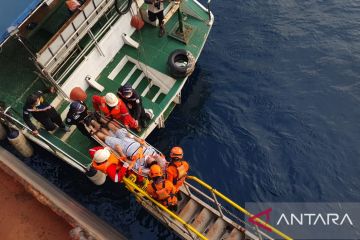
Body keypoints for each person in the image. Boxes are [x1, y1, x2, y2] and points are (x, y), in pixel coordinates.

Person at [88, 120, 166, 176]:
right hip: (129, 140)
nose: (150, 157)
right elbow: (143, 143)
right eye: (153, 159)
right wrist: (131, 136)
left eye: (150, 160)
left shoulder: (140, 165)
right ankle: (97, 119)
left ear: (148, 164)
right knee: (115, 129)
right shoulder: (152, 153)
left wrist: (119, 151)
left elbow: (127, 161)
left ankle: (90, 125)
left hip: (123, 147)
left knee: (106, 137)